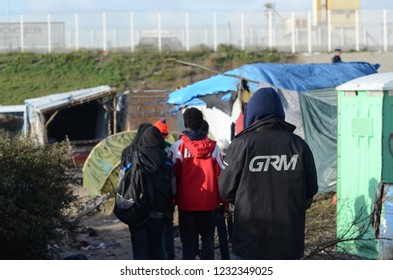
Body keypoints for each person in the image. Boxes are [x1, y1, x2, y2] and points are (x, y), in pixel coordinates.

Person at [218, 87, 318, 260]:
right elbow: (311, 189)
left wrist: (242, 201)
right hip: (288, 241)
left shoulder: (241, 144)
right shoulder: (299, 145)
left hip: (250, 239)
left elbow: (225, 190)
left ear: (252, 112)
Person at [169, 108, 223, 260]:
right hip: (209, 204)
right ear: (201, 123)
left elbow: (172, 176)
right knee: (208, 242)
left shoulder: (178, 147)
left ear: (185, 124)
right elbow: (221, 176)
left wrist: (172, 200)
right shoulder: (214, 148)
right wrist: (224, 202)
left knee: (188, 244)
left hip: (186, 205)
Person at [121, 124, 174, 259]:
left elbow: (122, 184)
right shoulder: (167, 161)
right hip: (159, 213)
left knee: (140, 252)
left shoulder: (133, 159)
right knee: (157, 250)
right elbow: (173, 189)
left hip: (137, 213)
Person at [154, 117, 176, 260]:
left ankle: (160, 253)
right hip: (169, 192)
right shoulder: (170, 147)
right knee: (169, 223)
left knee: (158, 225)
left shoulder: (151, 148)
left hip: (157, 193)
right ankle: (170, 252)